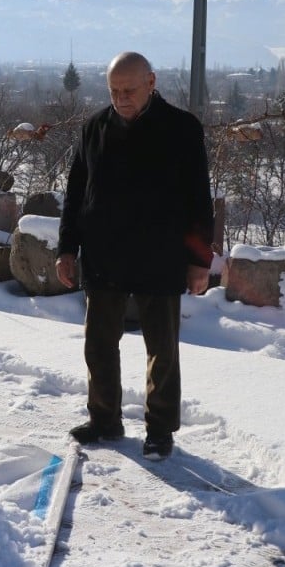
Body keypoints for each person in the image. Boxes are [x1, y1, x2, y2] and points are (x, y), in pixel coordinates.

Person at [55, 52, 214, 460]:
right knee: (98, 345)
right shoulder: (94, 127)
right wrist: (67, 248)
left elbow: (199, 199)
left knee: (162, 350)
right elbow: (76, 193)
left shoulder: (181, 128)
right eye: (114, 91)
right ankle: (104, 419)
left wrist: (200, 261)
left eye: (129, 90)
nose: (121, 98)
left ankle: (160, 430)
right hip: (103, 254)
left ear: (151, 83)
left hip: (160, 255)